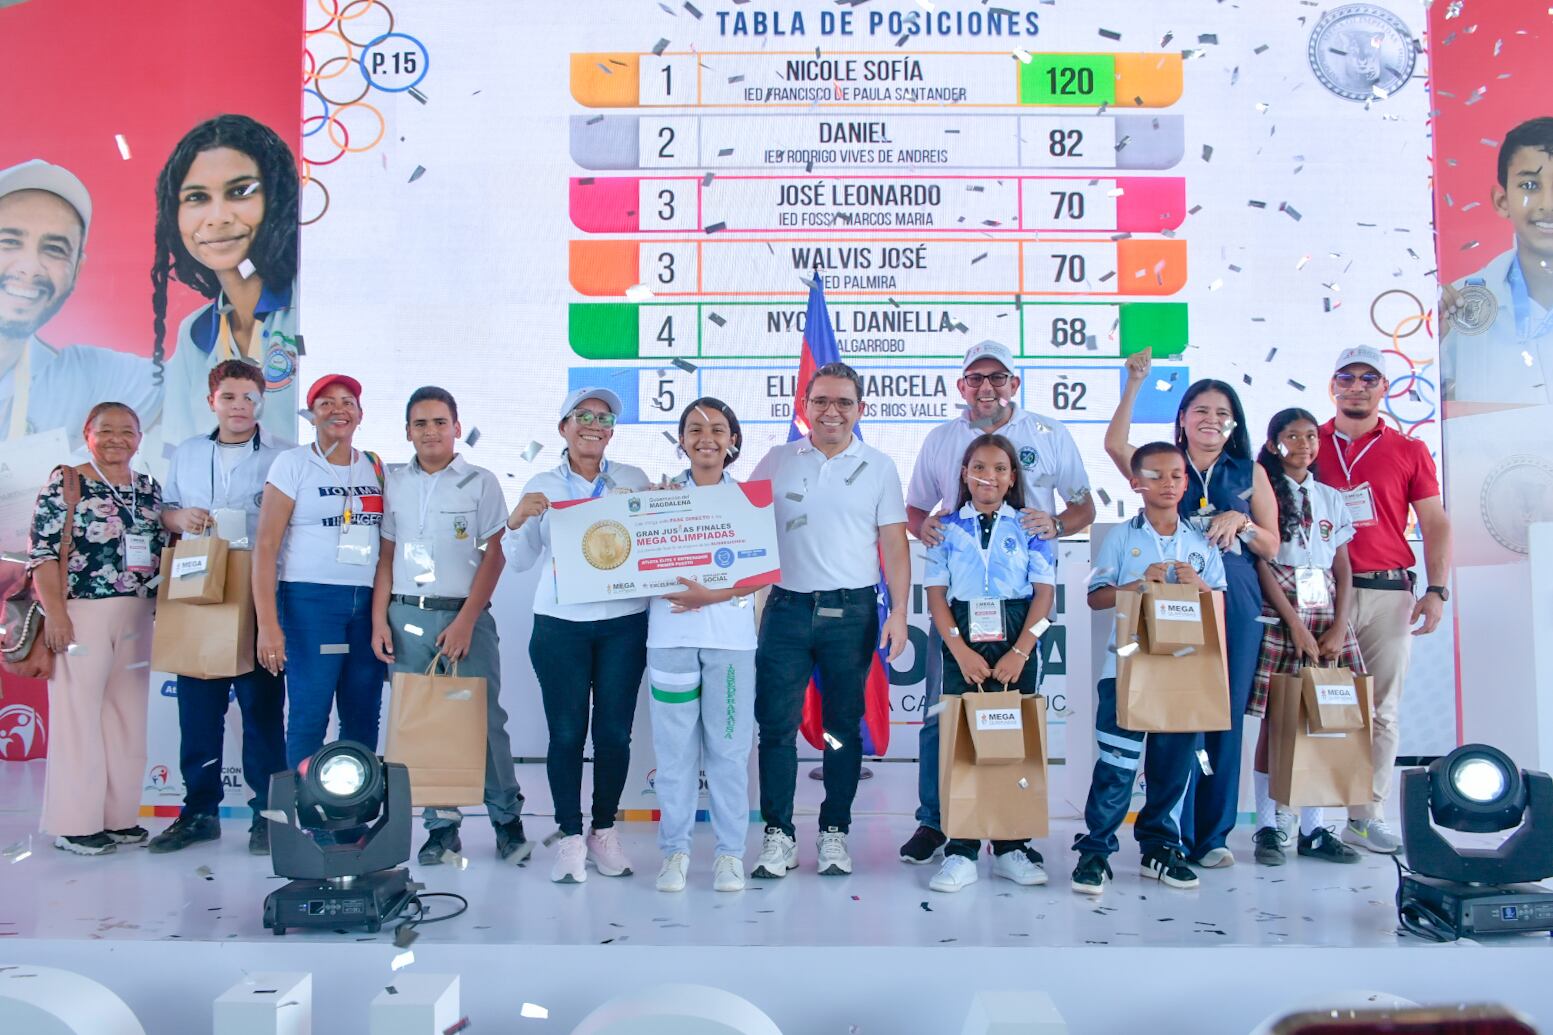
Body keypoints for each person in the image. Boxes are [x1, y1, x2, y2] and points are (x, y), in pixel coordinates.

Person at [900, 339, 1094, 865]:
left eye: (998, 377)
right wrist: (931, 530)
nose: (987, 387)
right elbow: (917, 510)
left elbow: (1084, 508)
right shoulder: (942, 439)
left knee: (1015, 717)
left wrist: (1054, 525)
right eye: (975, 378)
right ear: (961, 386)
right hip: (961, 608)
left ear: (1015, 383)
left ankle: (1012, 832)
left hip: (1021, 604)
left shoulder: (1048, 434)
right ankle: (937, 825)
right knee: (943, 718)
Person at [1105, 352, 1280, 867]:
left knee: (1222, 715)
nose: (1210, 418)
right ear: (1181, 418)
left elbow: (1272, 544)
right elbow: (1115, 446)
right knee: (1177, 713)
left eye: (1221, 412)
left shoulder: (1250, 472)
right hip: (1167, 605)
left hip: (1232, 600)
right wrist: (1136, 382)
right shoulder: (1166, 467)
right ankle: (1167, 835)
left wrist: (1241, 522)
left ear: (1234, 422)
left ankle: (1214, 837)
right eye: (1199, 409)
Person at [748, 361, 911, 879]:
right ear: (805, 406)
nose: (831, 411)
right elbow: (732, 515)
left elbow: (893, 543)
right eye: (821, 401)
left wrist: (900, 612)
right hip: (786, 610)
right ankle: (778, 836)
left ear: (860, 410)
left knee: (842, 728)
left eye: (844, 402)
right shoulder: (777, 459)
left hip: (852, 613)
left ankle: (834, 831)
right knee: (775, 729)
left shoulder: (880, 466)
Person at [370, 386, 529, 867]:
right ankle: (442, 829)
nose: (430, 431)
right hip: (406, 616)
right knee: (423, 724)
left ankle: (507, 821)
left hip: (466, 618)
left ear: (457, 428)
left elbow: (494, 555)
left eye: (440, 422)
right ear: (407, 432)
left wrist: (465, 621)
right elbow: (387, 556)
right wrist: (380, 618)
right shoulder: (394, 482)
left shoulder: (480, 482)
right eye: (420, 424)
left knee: (483, 722)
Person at [503, 387, 650, 884]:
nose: (594, 424)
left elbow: (651, 548)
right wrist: (517, 520)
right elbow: (521, 561)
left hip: (623, 623)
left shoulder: (633, 481)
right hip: (560, 625)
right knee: (566, 734)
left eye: (604, 417)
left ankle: (603, 831)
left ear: (611, 431)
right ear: (563, 426)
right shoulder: (541, 483)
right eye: (582, 415)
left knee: (613, 734)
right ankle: (569, 836)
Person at [1072, 442, 1226, 894]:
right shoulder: (1123, 536)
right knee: (1117, 764)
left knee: (1173, 765)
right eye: (1156, 476)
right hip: (1126, 668)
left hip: (1183, 673)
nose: (1168, 484)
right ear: (1136, 483)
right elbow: (1095, 596)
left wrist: (1200, 587)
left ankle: (1160, 847)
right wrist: (1140, 583)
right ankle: (1095, 850)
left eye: (1176, 475)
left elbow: (1219, 604)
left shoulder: (1201, 539)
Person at [1316, 346, 1451, 853]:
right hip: (1320, 595)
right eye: (1345, 377)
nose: (1356, 386)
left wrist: (1436, 589)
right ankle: (1301, 818)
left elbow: (1435, 521)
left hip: (1389, 590)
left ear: (1384, 388)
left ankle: (1364, 816)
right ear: (1332, 386)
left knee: (1382, 711)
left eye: (1368, 378)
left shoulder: (1410, 449)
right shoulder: (1306, 442)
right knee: (1310, 703)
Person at [148, 359, 286, 856]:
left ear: (261, 402)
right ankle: (198, 812)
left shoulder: (284, 456)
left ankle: (267, 816)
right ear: (212, 401)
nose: (240, 407)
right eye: (229, 397)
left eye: (250, 397)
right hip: (197, 590)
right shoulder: (186, 454)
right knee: (199, 711)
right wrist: (178, 515)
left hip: (256, 594)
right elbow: (164, 509)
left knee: (262, 710)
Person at [921, 433, 1056, 893]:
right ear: (964, 473)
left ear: (1012, 477)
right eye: (979, 466)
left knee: (1010, 742)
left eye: (1000, 468)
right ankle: (960, 850)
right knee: (961, 745)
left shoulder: (1031, 527)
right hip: (963, 635)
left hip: (1017, 632)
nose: (989, 476)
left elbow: (1045, 596)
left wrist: (1022, 651)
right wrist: (958, 648)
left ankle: (1011, 846)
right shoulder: (944, 529)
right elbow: (936, 595)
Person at [29, 402, 164, 855]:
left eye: (127, 431)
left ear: (139, 439)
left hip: (138, 613)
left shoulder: (147, 488)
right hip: (81, 612)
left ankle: (119, 817)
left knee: (127, 718)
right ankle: (75, 823)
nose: (117, 440)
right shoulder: (66, 482)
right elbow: (43, 555)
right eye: (106, 430)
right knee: (78, 718)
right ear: (87, 433)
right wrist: (57, 614)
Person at [648, 398, 761, 894]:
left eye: (718, 428)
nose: (706, 437)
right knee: (673, 756)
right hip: (670, 640)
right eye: (694, 429)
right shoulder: (659, 498)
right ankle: (674, 853)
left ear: (733, 440)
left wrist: (708, 596)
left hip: (731, 645)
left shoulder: (751, 501)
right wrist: (645, 514)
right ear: (681, 440)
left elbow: (757, 573)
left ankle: (729, 855)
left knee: (728, 754)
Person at [1247, 408, 1364, 867]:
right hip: (1282, 610)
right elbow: (1263, 563)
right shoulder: (1264, 493)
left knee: (1323, 719)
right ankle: (1268, 826)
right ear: (1275, 443)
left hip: (1327, 608)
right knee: (1276, 722)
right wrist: (1292, 622)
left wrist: (1339, 623)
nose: (1303, 444)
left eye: (1311, 436)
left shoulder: (1332, 497)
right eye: (1292, 436)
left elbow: (1344, 567)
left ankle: (1315, 829)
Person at [253, 374, 386, 768]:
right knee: (310, 713)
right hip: (309, 601)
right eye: (326, 403)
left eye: (347, 402)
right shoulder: (293, 463)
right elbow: (265, 547)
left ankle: (351, 812)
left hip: (364, 604)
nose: (338, 410)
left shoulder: (374, 467)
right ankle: (307, 816)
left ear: (360, 414)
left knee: (363, 713)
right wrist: (267, 624)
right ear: (312, 415)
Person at [151, 115, 300, 450]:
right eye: (196, 197)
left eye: (239, 192)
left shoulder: (310, 306)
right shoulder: (195, 333)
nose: (217, 216)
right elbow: (178, 451)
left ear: (276, 199)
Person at [0, 161, 160, 447]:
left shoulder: (84, 375)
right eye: (9, 241)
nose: (30, 267)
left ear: (76, 270)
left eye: (54, 249)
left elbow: (203, 383)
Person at [1440, 116, 1553, 409]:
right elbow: (1418, 403)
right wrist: (1429, 343)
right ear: (1502, 200)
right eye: (1530, 185)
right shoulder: (1456, 304)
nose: (1548, 204)